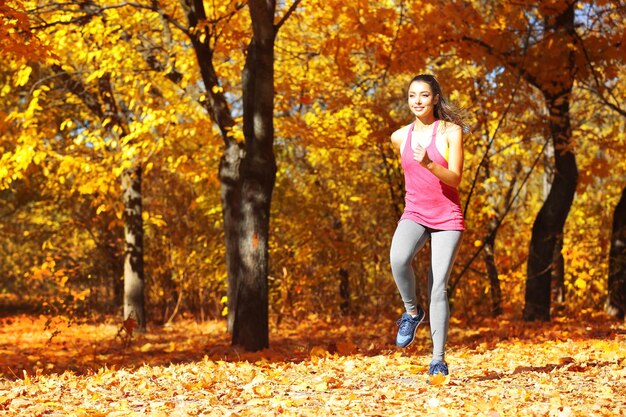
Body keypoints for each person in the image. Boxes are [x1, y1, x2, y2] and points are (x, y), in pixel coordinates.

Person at [389, 74, 466, 377]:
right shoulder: (400, 137)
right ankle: (412, 312)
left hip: (447, 216)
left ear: (435, 98)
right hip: (416, 212)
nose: (417, 101)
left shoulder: (450, 132)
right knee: (398, 259)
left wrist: (431, 164)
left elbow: (456, 178)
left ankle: (438, 359)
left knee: (438, 287)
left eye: (423, 95)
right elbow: (410, 178)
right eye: (412, 96)